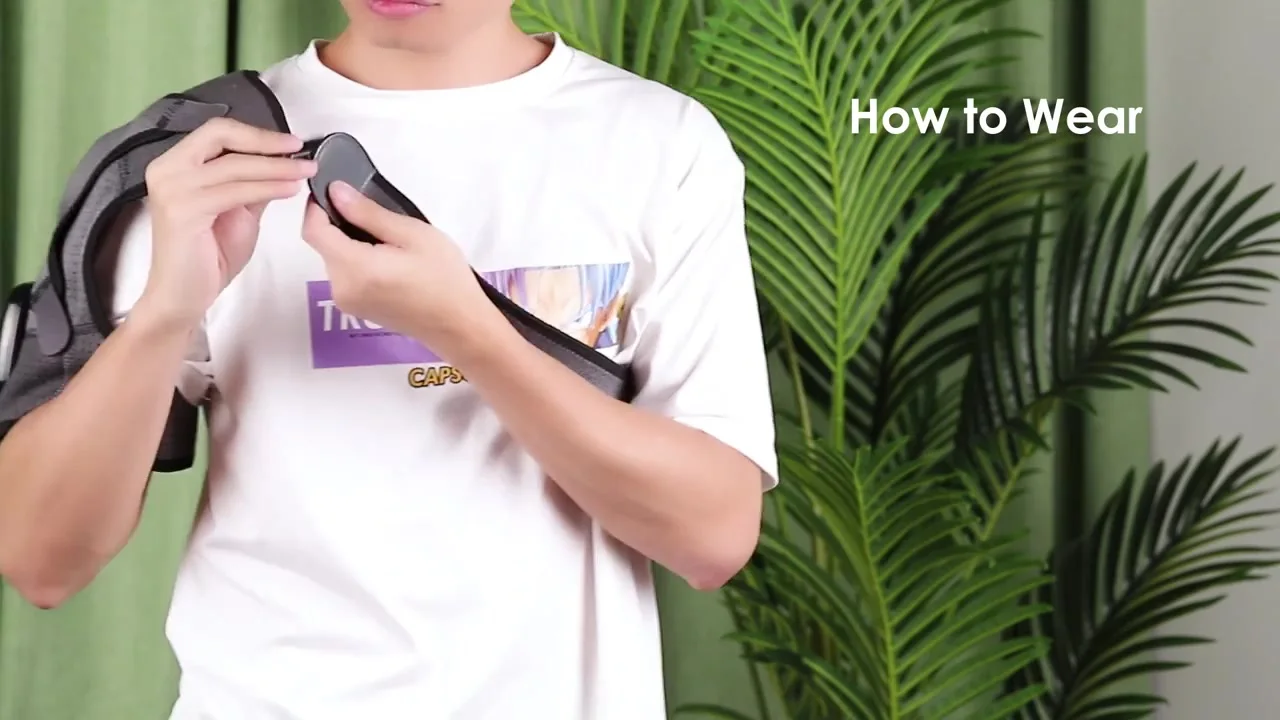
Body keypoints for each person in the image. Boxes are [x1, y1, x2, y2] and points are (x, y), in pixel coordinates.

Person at [0, 0, 777, 717]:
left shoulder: (659, 144)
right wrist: (164, 314)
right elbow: (40, 560)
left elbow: (711, 537)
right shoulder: (205, 155)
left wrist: (464, 330)